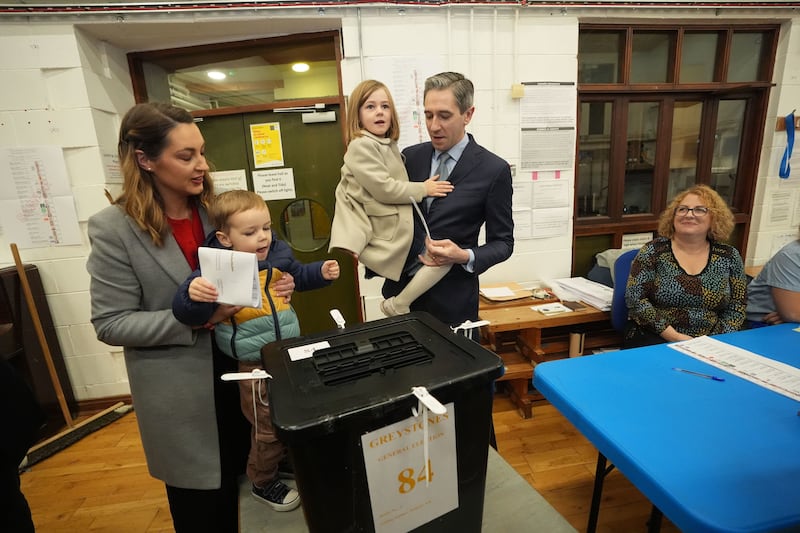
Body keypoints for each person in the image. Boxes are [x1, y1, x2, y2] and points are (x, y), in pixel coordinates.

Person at [87, 102, 294, 533]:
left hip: (242, 372)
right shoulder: (114, 228)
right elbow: (110, 323)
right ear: (144, 159)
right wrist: (195, 321)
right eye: (186, 156)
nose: (201, 165)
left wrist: (279, 283)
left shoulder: (214, 212)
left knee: (252, 488)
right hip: (182, 395)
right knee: (204, 511)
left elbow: (262, 262)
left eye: (201, 152)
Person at [172, 190, 339, 512]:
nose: (262, 237)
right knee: (265, 426)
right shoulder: (216, 267)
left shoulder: (276, 253)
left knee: (293, 412)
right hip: (253, 364)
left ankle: (283, 463)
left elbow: (299, 274)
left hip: (287, 353)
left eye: (266, 227)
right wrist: (191, 294)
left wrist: (321, 272)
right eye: (250, 233)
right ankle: (262, 480)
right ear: (225, 237)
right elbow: (186, 312)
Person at [381, 72, 514, 332]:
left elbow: (504, 243)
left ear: (468, 114)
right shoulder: (410, 158)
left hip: (453, 305)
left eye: (444, 116)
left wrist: (464, 255)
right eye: (428, 115)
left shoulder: (493, 170)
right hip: (400, 297)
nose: (433, 126)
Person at [329, 79, 454, 316]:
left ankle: (400, 302)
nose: (379, 112)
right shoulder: (361, 146)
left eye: (385, 107)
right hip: (389, 230)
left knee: (437, 258)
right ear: (357, 114)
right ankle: (398, 305)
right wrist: (424, 189)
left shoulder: (385, 144)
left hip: (397, 225)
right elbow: (384, 189)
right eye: (370, 107)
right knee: (442, 259)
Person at [624, 184, 747, 347]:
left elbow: (737, 306)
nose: (689, 215)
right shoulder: (654, 251)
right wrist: (675, 337)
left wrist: (716, 341)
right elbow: (635, 300)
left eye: (699, 210)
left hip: (713, 343)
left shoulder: (729, 256)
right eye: (682, 209)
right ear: (672, 217)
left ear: (714, 218)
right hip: (657, 338)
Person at [746, 225, 800, 326]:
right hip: (760, 323)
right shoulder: (791, 255)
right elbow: (793, 314)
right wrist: (793, 314)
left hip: (788, 321)